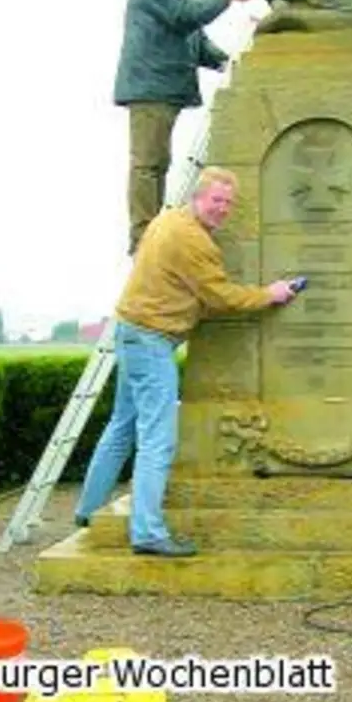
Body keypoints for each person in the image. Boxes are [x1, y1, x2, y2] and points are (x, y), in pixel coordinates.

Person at [74, 166, 302, 557]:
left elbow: (191, 293)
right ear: (198, 197)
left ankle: (88, 510)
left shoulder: (167, 220)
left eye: (229, 202)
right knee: (157, 439)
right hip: (151, 340)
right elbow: (221, 296)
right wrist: (271, 293)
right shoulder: (193, 240)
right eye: (216, 200)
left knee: (122, 426)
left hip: (131, 330)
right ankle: (147, 531)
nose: (223, 209)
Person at [113, 0, 259, 255]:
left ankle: (150, 231)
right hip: (150, 89)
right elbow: (188, 15)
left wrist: (228, 62)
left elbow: (196, 41)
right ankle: (142, 238)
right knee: (148, 164)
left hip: (164, 90)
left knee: (158, 163)